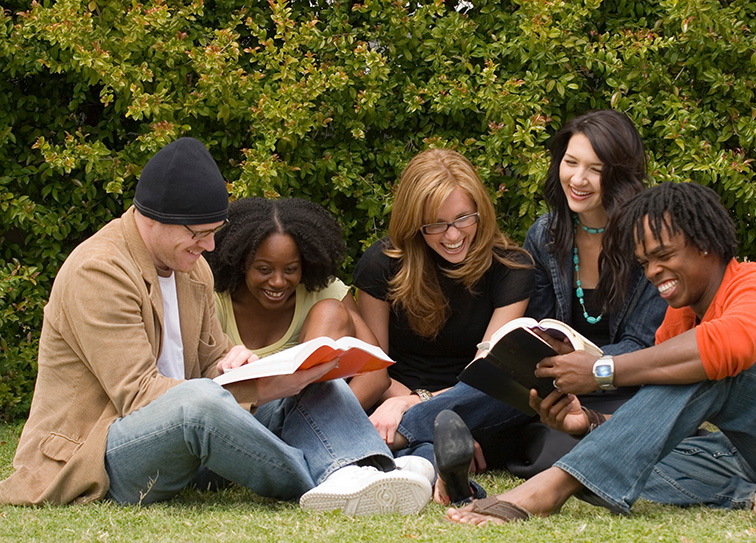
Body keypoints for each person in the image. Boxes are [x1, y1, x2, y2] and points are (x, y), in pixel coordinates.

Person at [0, 137, 431, 516]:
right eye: (200, 234)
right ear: (154, 218)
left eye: (214, 233)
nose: (209, 246)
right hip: (98, 455)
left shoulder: (191, 268)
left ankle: (371, 468)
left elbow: (211, 361)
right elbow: (136, 395)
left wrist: (236, 364)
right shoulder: (99, 271)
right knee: (200, 404)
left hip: (184, 450)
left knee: (315, 381)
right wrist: (258, 389)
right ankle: (330, 481)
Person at [447, 181, 756, 525]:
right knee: (635, 462)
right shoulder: (678, 319)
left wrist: (604, 370)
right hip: (755, 458)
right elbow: (661, 417)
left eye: (663, 255)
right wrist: (590, 424)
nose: (653, 272)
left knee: (719, 368)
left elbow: (726, 351)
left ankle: (550, 490)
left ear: (706, 244)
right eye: (644, 263)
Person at [388, 111, 668, 501]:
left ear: (620, 174)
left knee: (549, 450)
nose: (578, 179)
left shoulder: (652, 238)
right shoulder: (548, 232)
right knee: (506, 388)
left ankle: (404, 435)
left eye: (595, 169)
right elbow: (540, 324)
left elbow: (644, 344)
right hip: (555, 384)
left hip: (619, 383)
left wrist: (589, 366)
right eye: (570, 163)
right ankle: (439, 464)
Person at [352, 149, 534, 471]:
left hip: (471, 403)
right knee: (435, 435)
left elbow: (485, 375)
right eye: (436, 224)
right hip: (390, 399)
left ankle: (406, 448)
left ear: (480, 210)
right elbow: (374, 367)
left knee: (518, 388)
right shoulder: (381, 265)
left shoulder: (511, 268)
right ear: (414, 222)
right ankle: (427, 459)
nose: (453, 235)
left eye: (464, 218)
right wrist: (404, 402)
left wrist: (415, 404)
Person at [206, 196, 389, 409]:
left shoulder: (323, 292)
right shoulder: (214, 299)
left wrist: (332, 419)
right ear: (241, 263)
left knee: (330, 311)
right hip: (240, 421)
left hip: (309, 420)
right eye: (264, 269)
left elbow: (377, 375)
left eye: (290, 269)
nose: (277, 282)